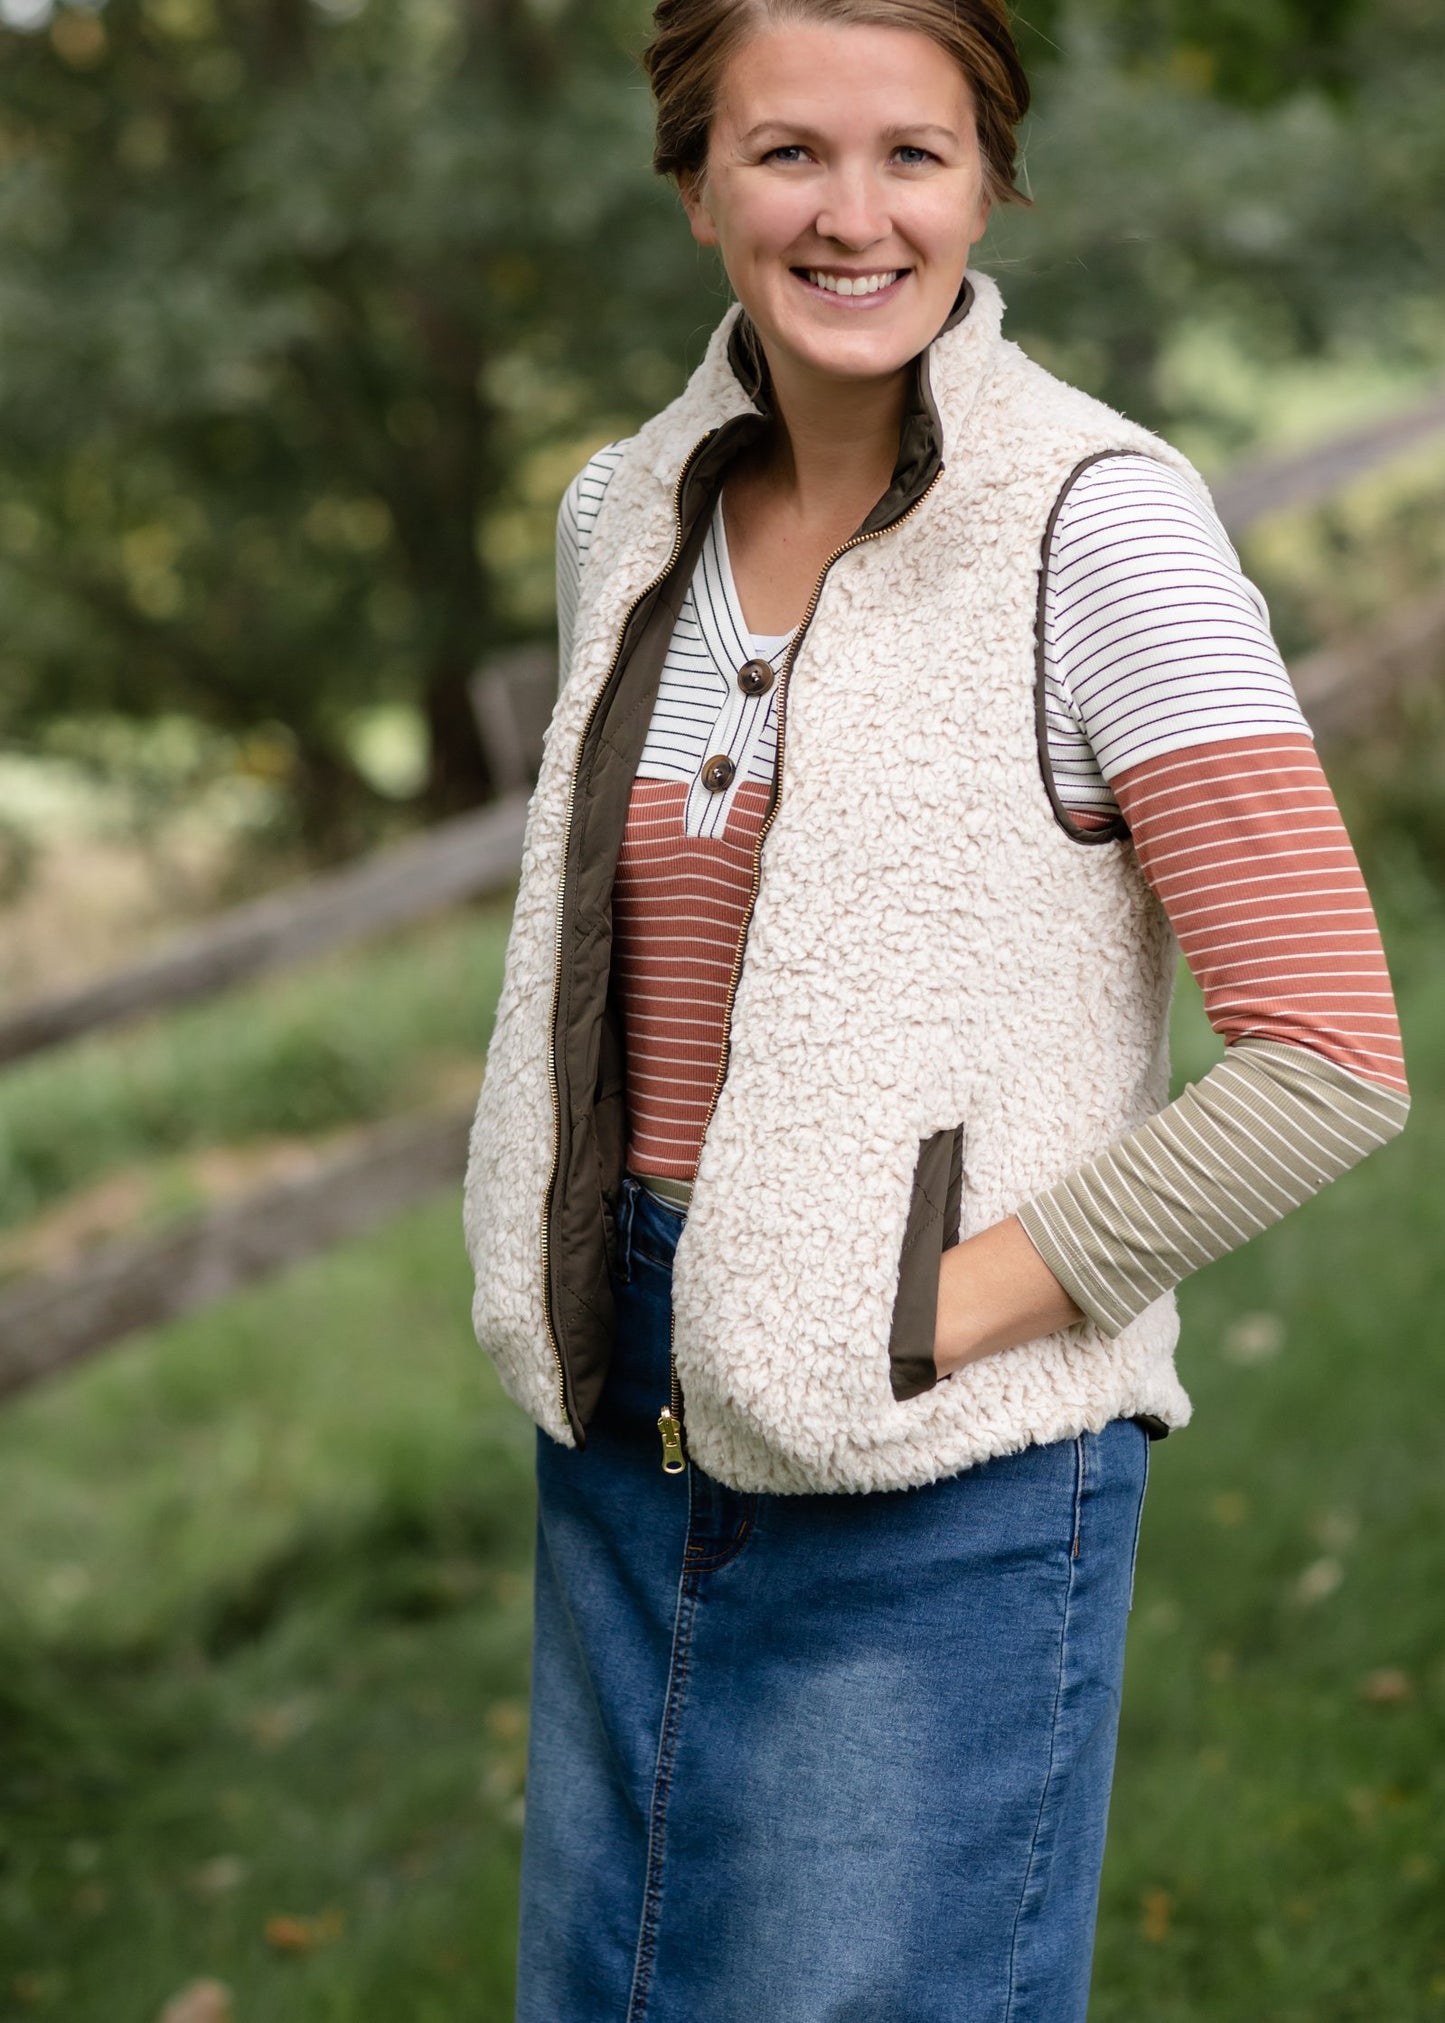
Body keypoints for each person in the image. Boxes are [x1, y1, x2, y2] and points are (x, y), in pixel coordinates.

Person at [463, 0, 1409, 2014]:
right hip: (624, 1408)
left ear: (989, 179)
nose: (853, 213)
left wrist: (931, 1311)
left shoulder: (1102, 524)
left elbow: (1330, 1053)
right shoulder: (624, 516)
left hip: (945, 1455)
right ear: (695, 179)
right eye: (788, 151)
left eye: (915, 153)